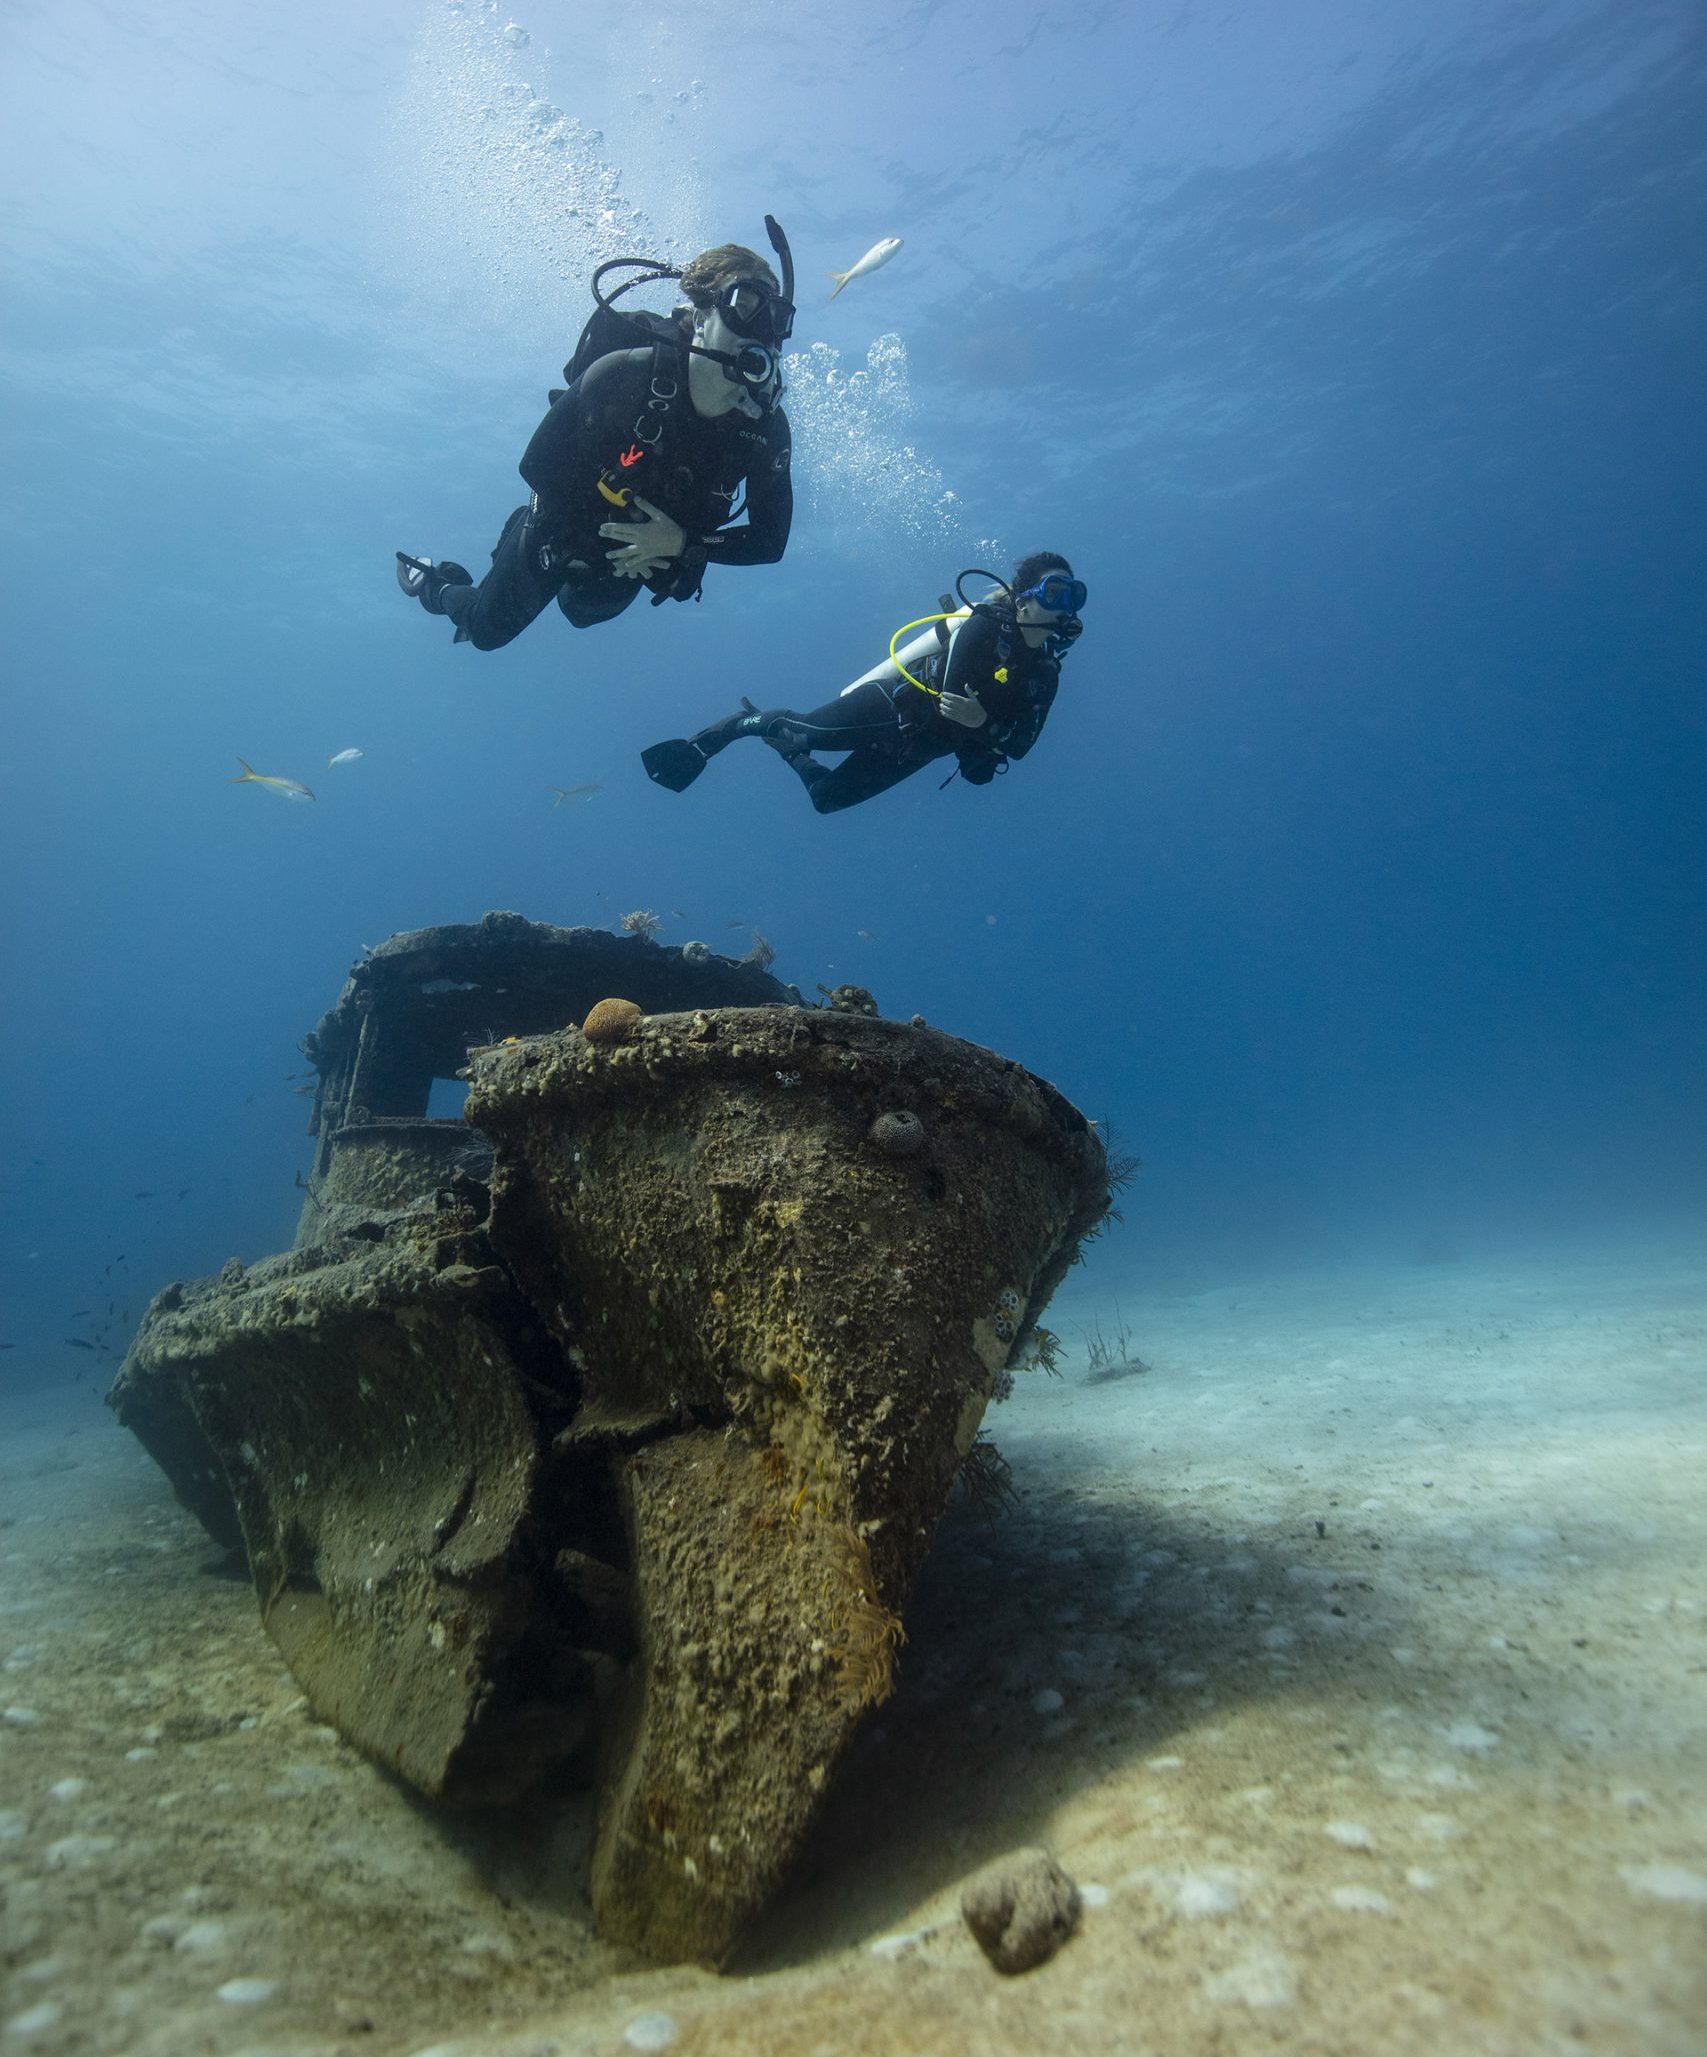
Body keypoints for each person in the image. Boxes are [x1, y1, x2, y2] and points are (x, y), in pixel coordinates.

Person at [396, 225, 796, 649]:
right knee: (484, 632)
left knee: (581, 613)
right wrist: (614, 534)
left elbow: (770, 541)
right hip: (564, 530)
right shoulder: (627, 373)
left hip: (639, 559)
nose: (759, 330)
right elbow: (536, 463)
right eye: (745, 304)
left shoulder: (765, 429)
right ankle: (435, 584)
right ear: (700, 316)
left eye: (774, 318)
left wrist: (681, 543)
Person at [641, 553, 1085, 813]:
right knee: (807, 729)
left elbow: (1023, 746)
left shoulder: (1045, 676)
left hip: (922, 747)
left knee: (825, 799)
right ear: (1023, 599)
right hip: (893, 708)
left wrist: (983, 725)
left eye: (1073, 596)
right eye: (1054, 591)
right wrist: (988, 726)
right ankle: (725, 732)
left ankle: (789, 752)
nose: (1064, 605)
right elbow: (953, 697)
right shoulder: (987, 624)